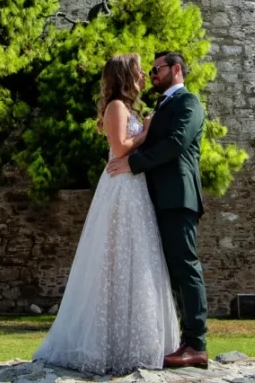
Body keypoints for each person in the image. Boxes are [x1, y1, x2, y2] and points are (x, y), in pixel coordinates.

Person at [33, 54, 181, 375]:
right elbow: (120, 146)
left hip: (135, 188)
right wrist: (148, 131)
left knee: (138, 259)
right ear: (126, 75)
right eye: (140, 70)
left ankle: (135, 340)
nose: (145, 74)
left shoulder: (131, 109)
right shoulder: (116, 107)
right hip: (120, 189)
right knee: (114, 259)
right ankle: (104, 341)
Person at [115, 51, 211, 369]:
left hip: (178, 198)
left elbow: (176, 142)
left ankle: (196, 344)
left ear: (177, 69)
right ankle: (175, 340)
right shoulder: (161, 106)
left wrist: (133, 163)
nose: (153, 75)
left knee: (186, 268)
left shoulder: (189, 102)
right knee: (166, 273)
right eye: (152, 71)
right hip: (156, 199)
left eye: (158, 70)